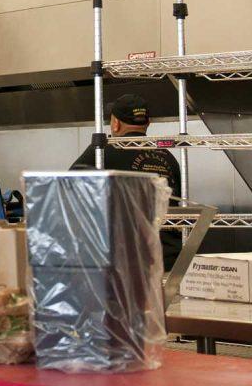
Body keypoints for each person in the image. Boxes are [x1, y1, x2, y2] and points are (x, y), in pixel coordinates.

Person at [70, 93, 182, 269]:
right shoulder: (168, 157)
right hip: (170, 260)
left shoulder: (102, 150)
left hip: (130, 264)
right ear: (147, 123)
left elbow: (69, 188)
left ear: (115, 123)